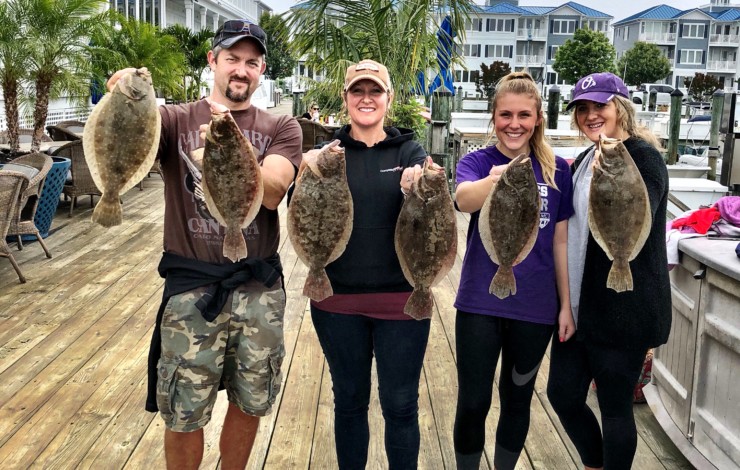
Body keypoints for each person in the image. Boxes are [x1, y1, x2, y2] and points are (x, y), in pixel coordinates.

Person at [107, 20, 302, 469]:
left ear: (262, 71)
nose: (241, 70)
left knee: (251, 401)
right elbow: (131, 127)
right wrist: (124, 91)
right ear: (213, 61)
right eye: (232, 58)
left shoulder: (281, 126)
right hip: (192, 288)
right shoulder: (175, 120)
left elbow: (272, 191)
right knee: (182, 410)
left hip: (258, 290)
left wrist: (222, 140)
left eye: (252, 63)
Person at [307, 59, 428, 469]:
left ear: (388, 99)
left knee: (400, 404)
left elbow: (433, 208)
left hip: (402, 300)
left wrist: (421, 183)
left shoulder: (410, 150)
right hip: (335, 299)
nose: (366, 98)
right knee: (350, 402)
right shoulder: (328, 154)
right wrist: (305, 170)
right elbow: (300, 209)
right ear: (345, 99)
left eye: (375, 91)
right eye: (357, 91)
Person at [547, 72, 671, 470]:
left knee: (615, 408)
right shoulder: (584, 161)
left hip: (624, 305)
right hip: (581, 306)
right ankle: (595, 463)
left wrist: (613, 169)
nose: (590, 115)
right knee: (563, 395)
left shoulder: (644, 157)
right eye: (582, 109)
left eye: (599, 106)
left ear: (621, 107)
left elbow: (642, 213)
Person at [452, 71, 575, 470]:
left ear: (538, 117)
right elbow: (463, 200)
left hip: (536, 305)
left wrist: (566, 306)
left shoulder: (558, 170)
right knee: (473, 400)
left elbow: (560, 241)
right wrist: (493, 180)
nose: (514, 124)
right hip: (479, 302)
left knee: (517, 398)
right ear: (494, 117)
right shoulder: (478, 161)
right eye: (505, 114)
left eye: (524, 115)